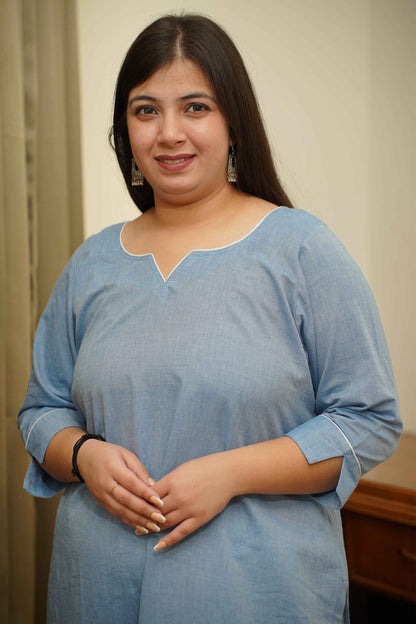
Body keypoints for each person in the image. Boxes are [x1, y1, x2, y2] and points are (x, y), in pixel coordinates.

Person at [18, 13, 401, 624]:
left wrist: (230, 473)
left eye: (195, 107)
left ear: (233, 122)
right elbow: (42, 411)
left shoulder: (302, 251)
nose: (169, 133)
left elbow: (368, 420)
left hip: (257, 594)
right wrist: (84, 454)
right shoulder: (91, 264)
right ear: (125, 130)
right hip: (95, 589)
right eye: (146, 110)